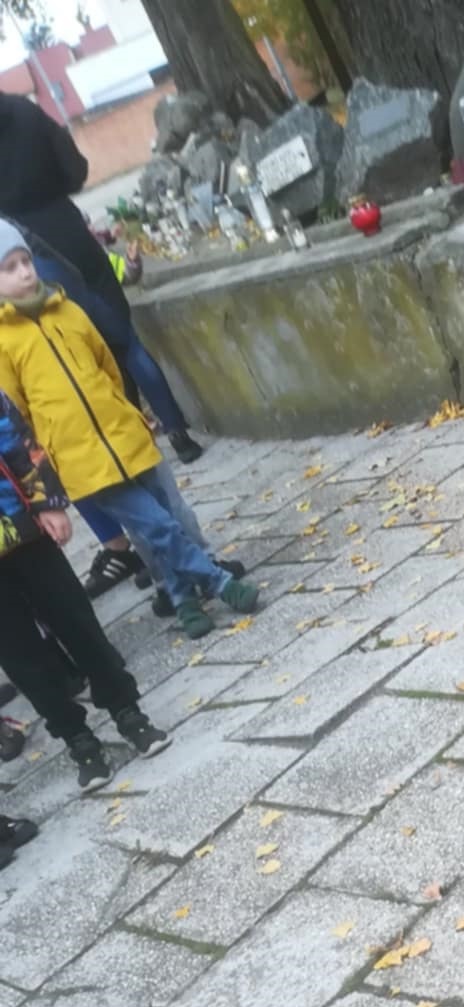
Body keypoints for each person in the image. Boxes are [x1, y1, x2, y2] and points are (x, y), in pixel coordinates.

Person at [0, 223, 260, 639]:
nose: (24, 272)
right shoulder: (4, 340)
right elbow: (17, 415)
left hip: (125, 436)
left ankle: (182, 598)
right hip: (83, 461)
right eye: (9, 268)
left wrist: (124, 411)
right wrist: (50, 463)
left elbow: (105, 365)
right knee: (157, 525)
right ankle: (218, 582)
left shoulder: (68, 310)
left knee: (165, 518)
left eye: (25, 261)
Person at [0, 93, 204, 491]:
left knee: (86, 351)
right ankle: (179, 434)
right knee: (127, 341)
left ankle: (135, 443)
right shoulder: (27, 111)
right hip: (72, 231)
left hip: (33, 251)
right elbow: (75, 168)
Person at [0, 381, 168, 792]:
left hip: (24, 532)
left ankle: (127, 712)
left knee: (75, 621)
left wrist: (45, 503)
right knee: (20, 657)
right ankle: (79, 740)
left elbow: (17, 439)